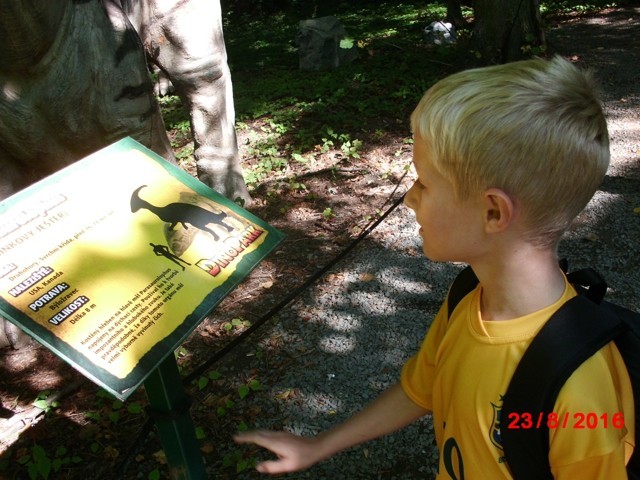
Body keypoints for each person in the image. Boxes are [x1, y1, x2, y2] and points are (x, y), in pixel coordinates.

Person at [234, 56, 635, 478]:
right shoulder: (469, 296)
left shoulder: (580, 391)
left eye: (424, 182)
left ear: (494, 212)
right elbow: (421, 388)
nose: (410, 198)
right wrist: (318, 446)